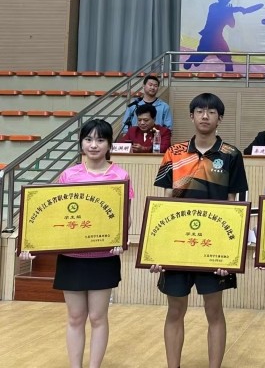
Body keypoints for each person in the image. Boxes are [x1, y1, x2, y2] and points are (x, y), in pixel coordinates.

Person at [20, 119, 134, 368]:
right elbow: (55, 216)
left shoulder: (120, 176)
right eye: (88, 139)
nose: (94, 145)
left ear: (109, 144)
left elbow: (125, 217)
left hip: (104, 258)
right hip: (72, 258)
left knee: (98, 317)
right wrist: (32, 244)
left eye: (100, 140)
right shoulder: (68, 175)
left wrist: (120, 238)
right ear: (81, 143)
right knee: (74, 317)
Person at [152, 92, 248, 368]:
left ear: (220, 118)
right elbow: (164, 203)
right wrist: (157, 250)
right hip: (177, 246)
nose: (205, 116)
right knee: (175, 310)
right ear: (192, 116)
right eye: (200, 111)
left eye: (211, 112)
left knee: (214, 310)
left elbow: (233, 206)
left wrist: (229, 255)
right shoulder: (174, 153)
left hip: (213, 248)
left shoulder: (231, 155)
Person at [184, 0, 263, 71]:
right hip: (208, 37)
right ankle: (192, 60)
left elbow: (232, 25)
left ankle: (229, 76)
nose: (227, 0)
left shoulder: (228, 11)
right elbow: (222, 12)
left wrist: (231, 13)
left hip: (218, 37)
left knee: (228, 59)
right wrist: (236, 10)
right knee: (198, 59)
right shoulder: (213, 6)